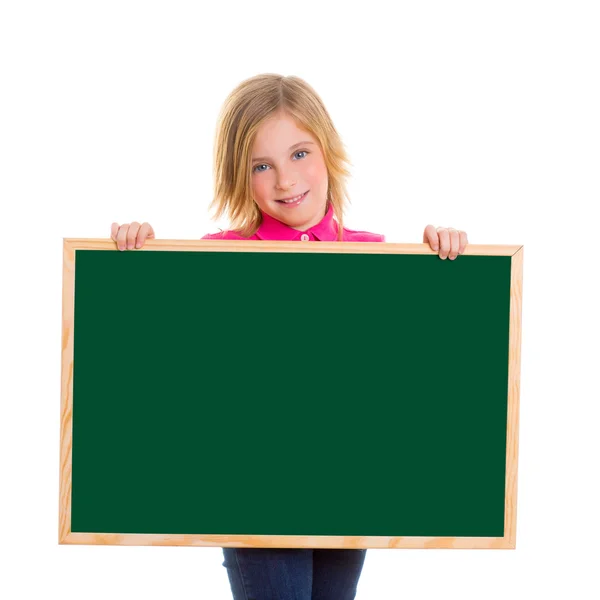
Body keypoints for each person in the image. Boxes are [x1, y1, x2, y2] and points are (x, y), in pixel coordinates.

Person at [110, 73, 469, 600]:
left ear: (327, 152)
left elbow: (403, 380)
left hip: (347, 483)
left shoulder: (378, 257)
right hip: (254, 486)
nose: (285, 180)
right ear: (240, 175)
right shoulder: (217, 258)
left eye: (300, 154)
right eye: (262, 165)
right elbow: (169, 368)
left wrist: (446, 265)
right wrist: (134, 263)